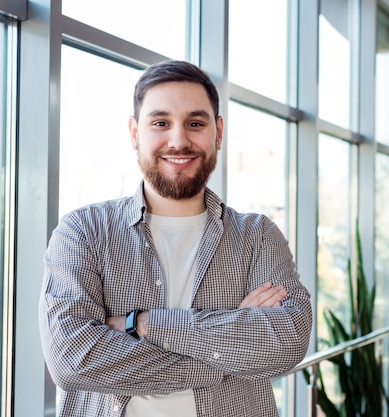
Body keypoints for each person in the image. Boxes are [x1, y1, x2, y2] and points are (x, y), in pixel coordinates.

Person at [38, 60, 312, 417]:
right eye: (161, 123)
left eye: (195, 123)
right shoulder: (84, 231)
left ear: (218, 132)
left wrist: (142, 323)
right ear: (135, 133)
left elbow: (288, 340)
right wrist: (226, 361)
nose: (179, 140)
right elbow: (72, 360)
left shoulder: (258, 236)